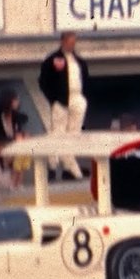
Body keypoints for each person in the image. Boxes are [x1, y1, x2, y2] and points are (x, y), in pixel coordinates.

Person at [38, 31, 89, 179]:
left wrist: (84, 97)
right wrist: (53, 99)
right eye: (70, 42)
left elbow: (85, 79)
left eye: (74, 43)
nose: (72, 45)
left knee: (74, 133)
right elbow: (43, 82)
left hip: (77, 97)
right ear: (63, 41)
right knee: (58, 133)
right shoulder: (53, 59)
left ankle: (69, 167)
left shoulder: (79, 61)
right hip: (61, 99)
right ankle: (53, 165)